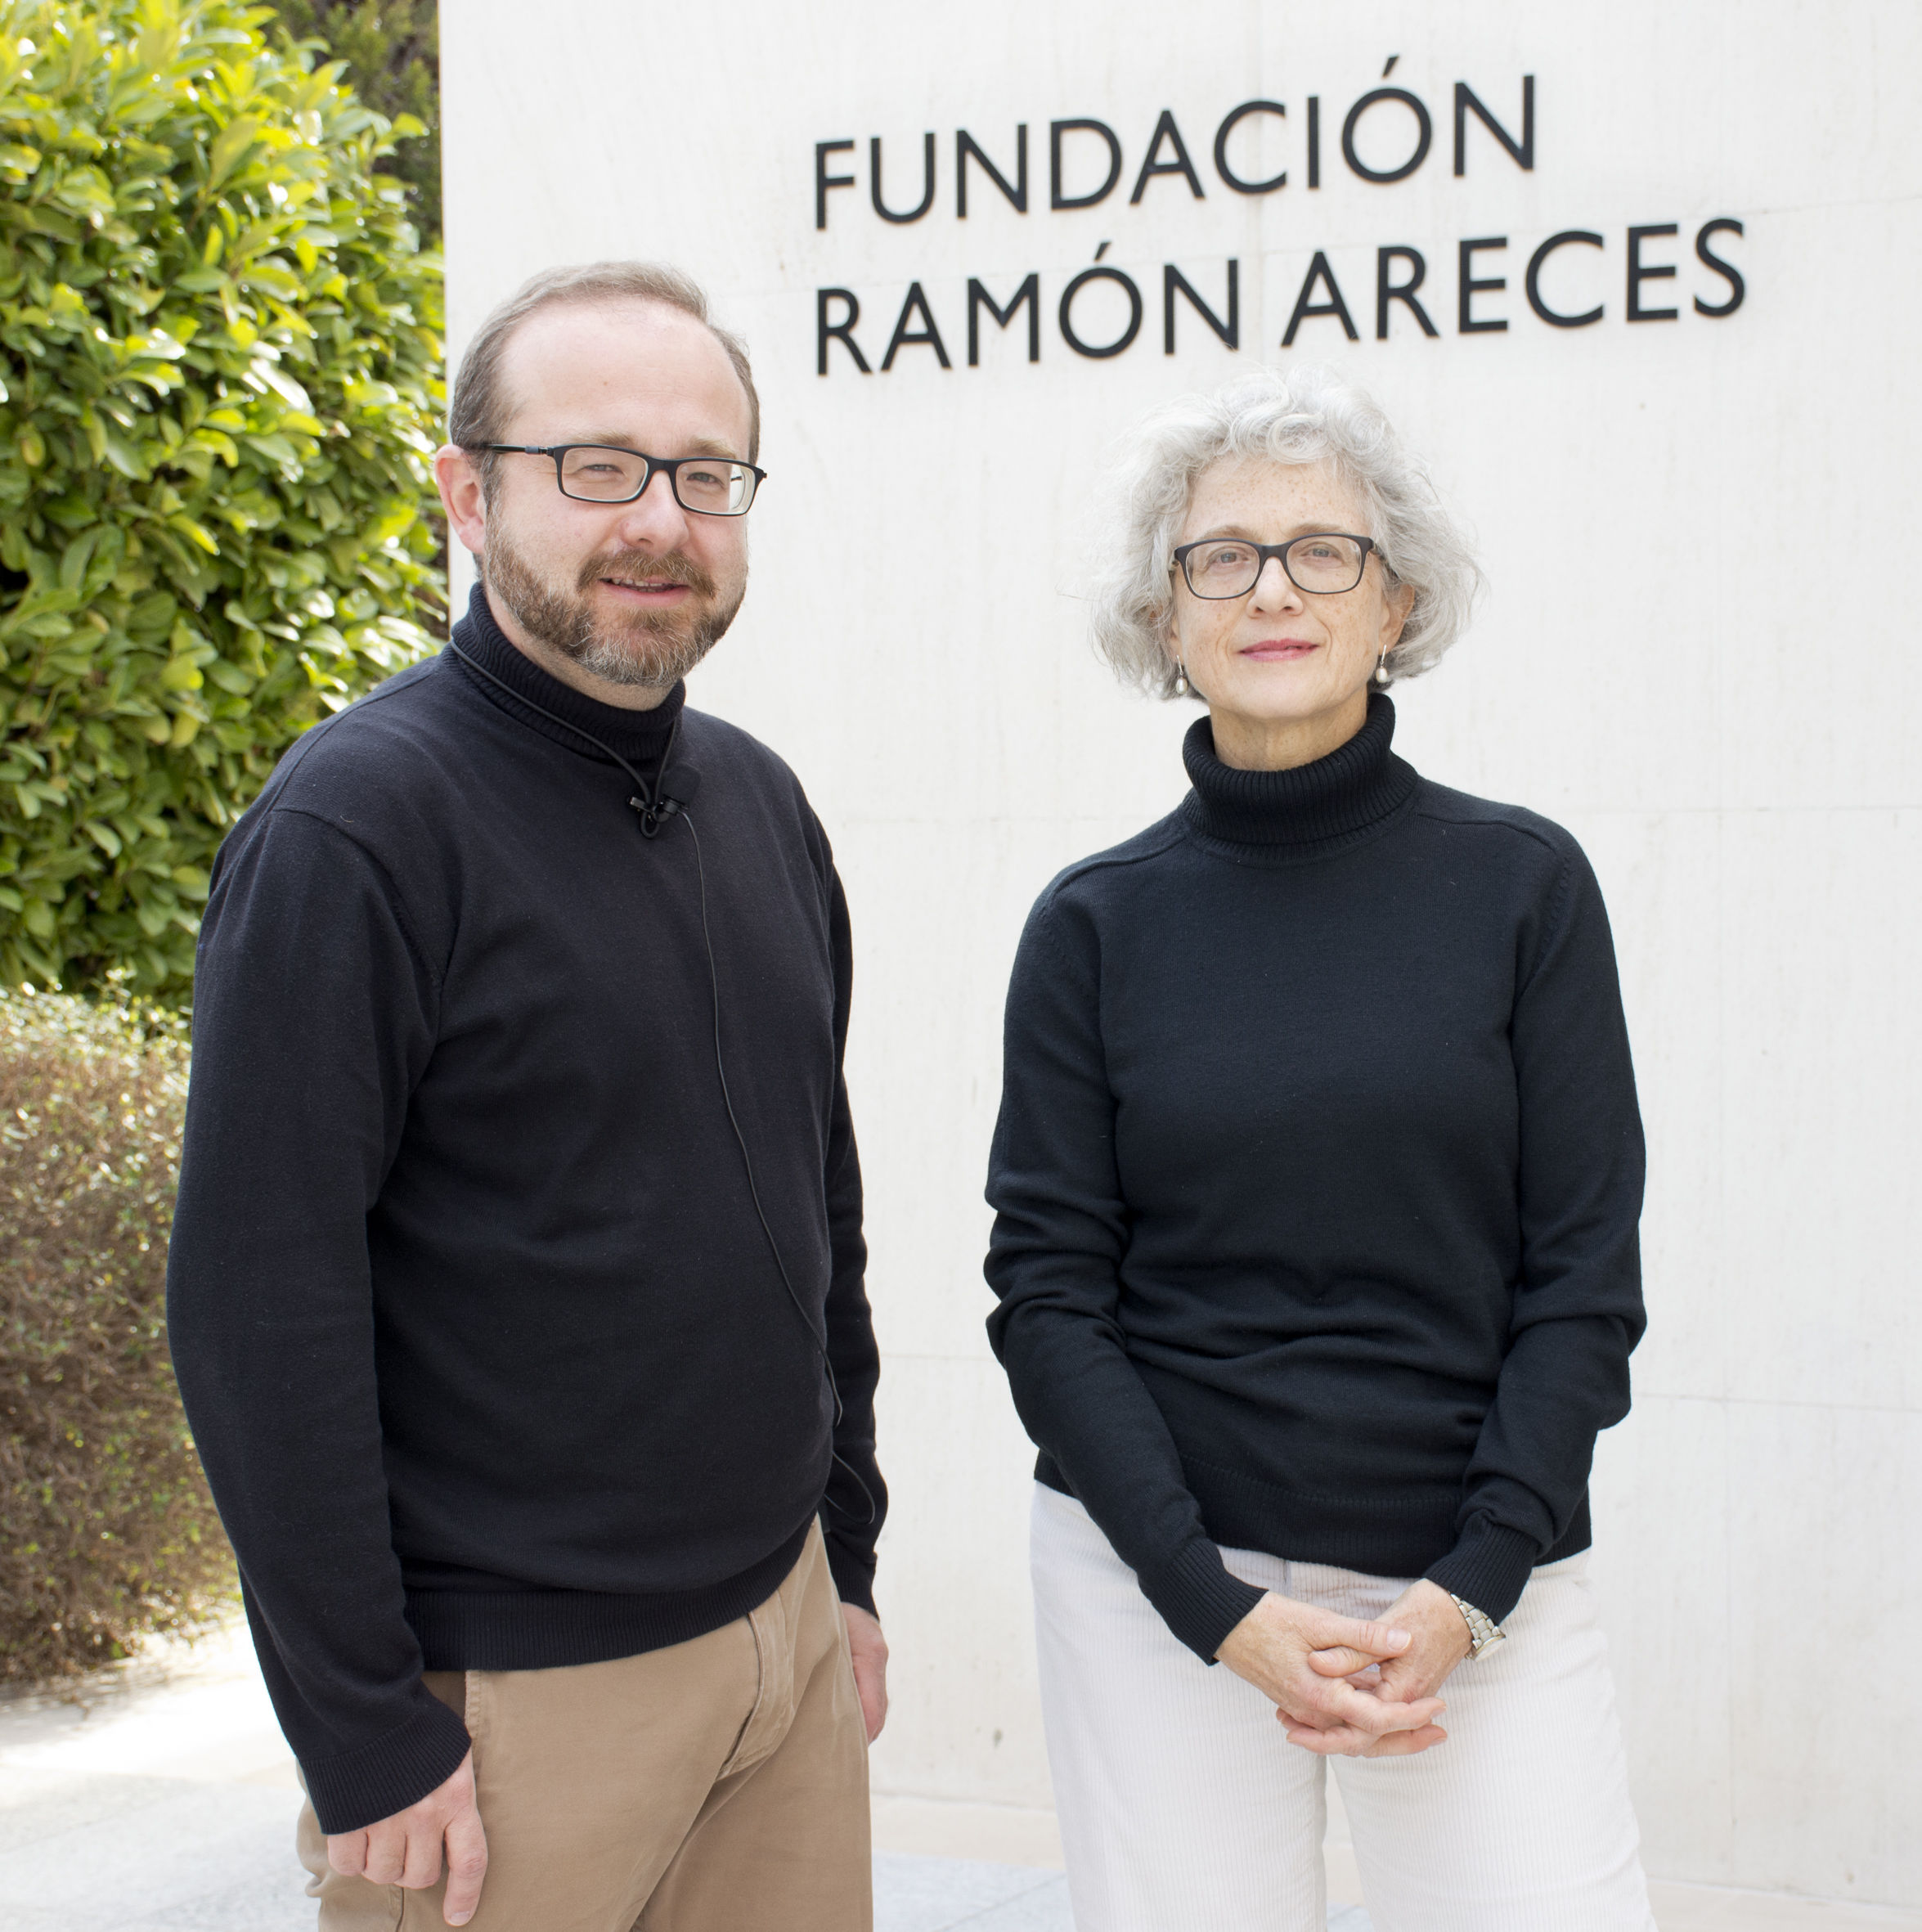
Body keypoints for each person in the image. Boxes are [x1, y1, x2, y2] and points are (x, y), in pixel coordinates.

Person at [168, 261, 887, 1932]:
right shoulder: (354, 830)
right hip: (507, 1703)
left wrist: (841, 1560)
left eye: (704, 472)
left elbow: (820, 1209)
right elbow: (257, 1307)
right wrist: (361, 1724)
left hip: (780, 1645)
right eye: (596, 464)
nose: (659, 520)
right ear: (466, 493)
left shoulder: (761, 805)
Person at [984, 364, 1655, 1932]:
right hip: (1159, 1581)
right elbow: (1048, 1296)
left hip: (1471, 1578)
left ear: (1394, 598)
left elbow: (1581, 1279)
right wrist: (1209, 1601)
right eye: (1221, 556)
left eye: (1320, 551)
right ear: (1165, 616)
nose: (1272, 588)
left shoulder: (1523, 889)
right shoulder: (1091, 925)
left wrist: (1474, 1586)